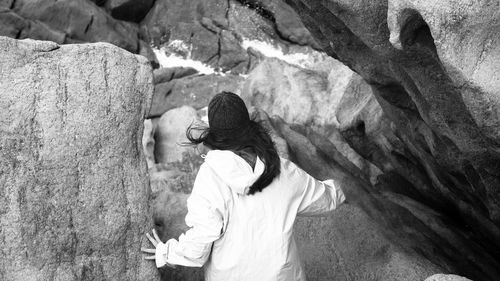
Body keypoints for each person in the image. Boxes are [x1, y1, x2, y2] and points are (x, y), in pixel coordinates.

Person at [141, 91, 346, 281]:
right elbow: (329, 200)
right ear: (248, 127)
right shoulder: (283, 170)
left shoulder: (211, 176)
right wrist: (346, 181)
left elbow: (199, 246)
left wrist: (166, 252)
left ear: (214, 132)